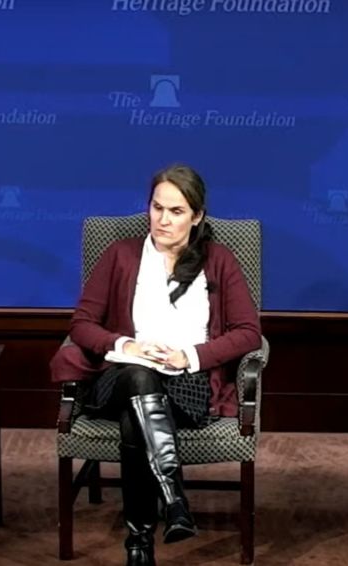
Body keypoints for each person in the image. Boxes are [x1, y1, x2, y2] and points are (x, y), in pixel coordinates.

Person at [51, 164, 261, 565]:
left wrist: (190, 356)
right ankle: (174, 499)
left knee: (137, 414)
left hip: (188, 383)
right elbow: (81, 325)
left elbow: (249, 332)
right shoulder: (120, 255)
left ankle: (139, 542)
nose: (163, 220)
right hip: (119, 377)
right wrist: (127, 344)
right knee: (137, 375)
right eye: (157, 207)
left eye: (177, 211)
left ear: (197, 216)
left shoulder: (218, 260)